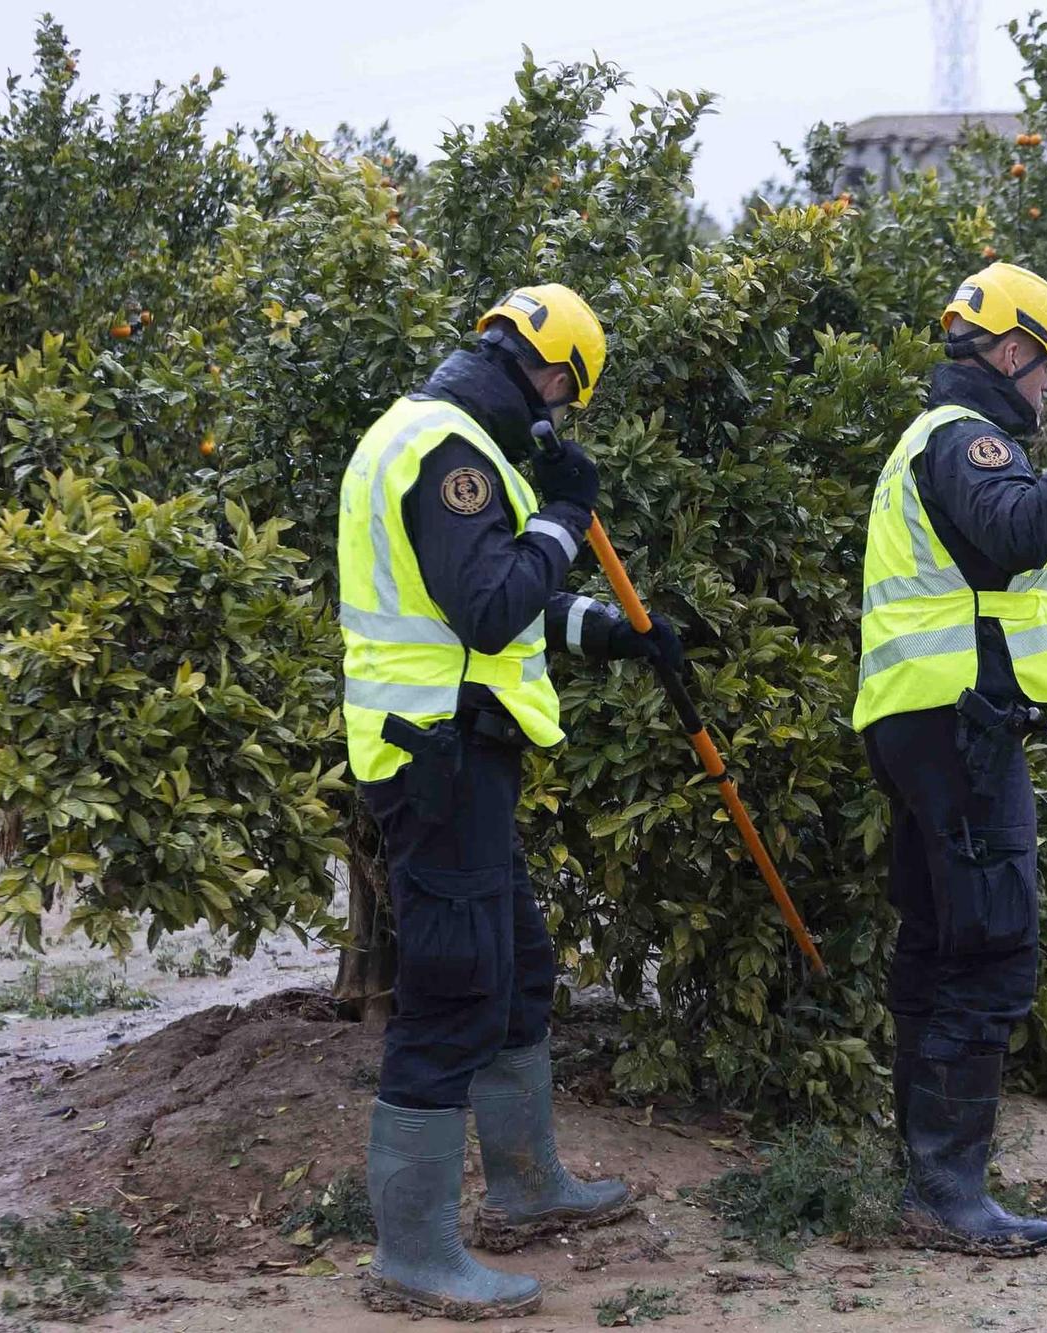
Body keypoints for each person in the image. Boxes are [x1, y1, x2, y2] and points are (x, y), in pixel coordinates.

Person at [338, 283, 683, 1318]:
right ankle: (413, 1256)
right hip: (435, 755)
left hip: (463, 750)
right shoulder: (446, 451)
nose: (560, 422)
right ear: (546, 376)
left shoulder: (442, 439)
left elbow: (506, 601)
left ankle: (529, 1189)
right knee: (453, 989)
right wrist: (570, 516)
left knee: (516, 967)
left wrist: (610, 633)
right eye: (565, 401)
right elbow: (489, 604)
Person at [855, 261, 1047, 1257]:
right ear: (1014, 351)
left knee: (940, 942)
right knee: (987, 949)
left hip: (935, 718)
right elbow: (1017, 531)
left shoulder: (933, 443)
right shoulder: (964, 440)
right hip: (958, 731)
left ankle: (926, 1178)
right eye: (1045, 373)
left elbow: (976, 591)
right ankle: (944, 1193)